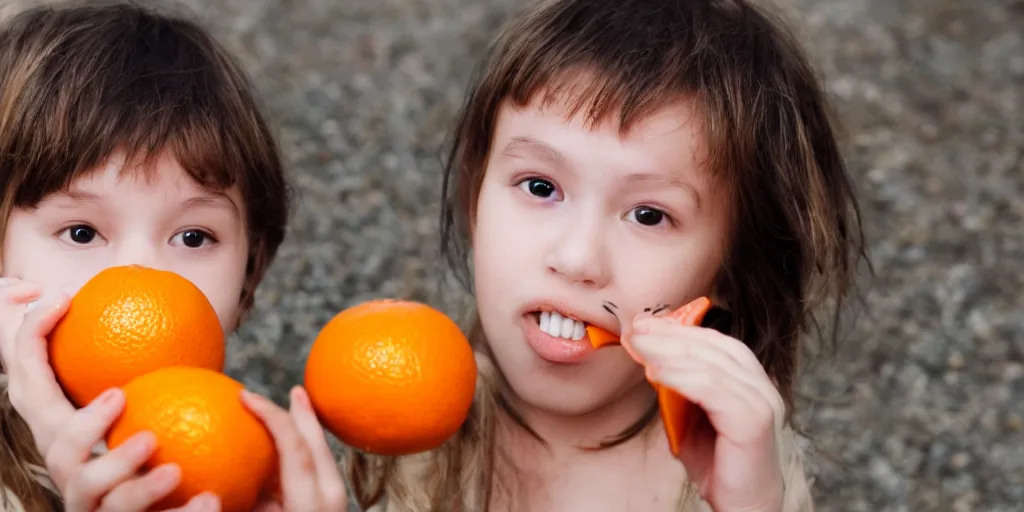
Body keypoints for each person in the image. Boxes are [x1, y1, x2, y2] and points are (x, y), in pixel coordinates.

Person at [348, 0, 867, 510]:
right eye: (539, 185)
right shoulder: (399, 405)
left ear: (732, 267)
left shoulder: (748, 473)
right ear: (475, 199)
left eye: (648, 215)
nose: (576, 260)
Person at [0, 1, 345, 511]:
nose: (142, 277)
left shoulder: (239, 469)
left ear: (250, 274)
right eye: (80, 232)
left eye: (192, 238)